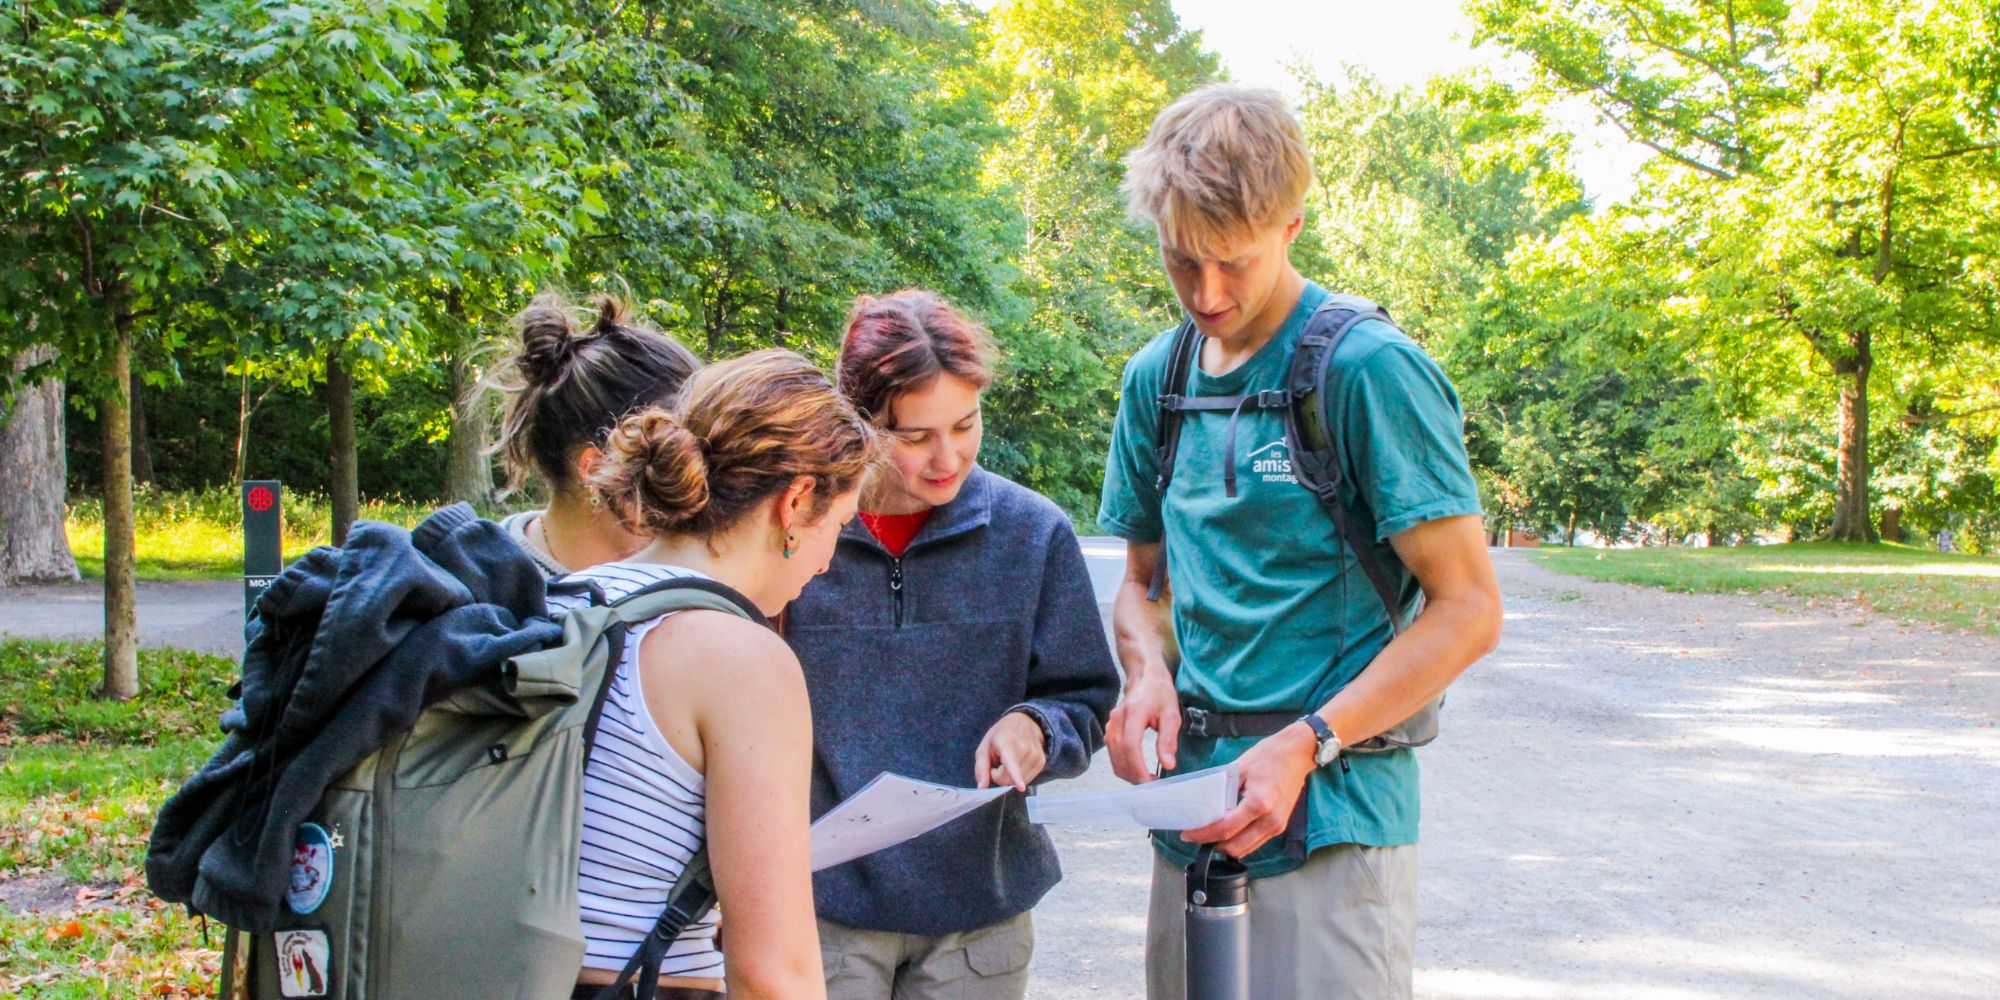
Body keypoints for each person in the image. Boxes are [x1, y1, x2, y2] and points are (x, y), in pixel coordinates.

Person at [1098, 84, 1505, 999]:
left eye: (1231, 263)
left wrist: (1307, 740)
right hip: (1194, 815)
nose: (1205, 294)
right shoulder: (1153, 381)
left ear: (1291, 225)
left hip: (1334, 816)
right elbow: (1144, 589)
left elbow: (1471, 611)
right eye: (1180, 261)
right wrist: (1146, 675)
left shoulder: (1367, 371)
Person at [784, 291, 1120, 1000]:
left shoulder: (1033, 533)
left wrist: (1035, 726)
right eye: (914, 436)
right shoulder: (793, 530)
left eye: (965, 425)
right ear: (859, 422)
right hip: (822, 913)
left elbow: (1084, 701)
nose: (948, 457)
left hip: (980, 919)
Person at [565, 349, 877, 1000]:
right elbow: (773, 972)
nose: (826, 564)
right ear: (795, 503)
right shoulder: (743, 660)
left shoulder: (569, 596)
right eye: (839, 528)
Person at [493, 292, 702, 577]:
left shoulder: (676, 577)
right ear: (596, 469)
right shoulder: (485, 587)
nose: (700, 497)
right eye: (671, 467)